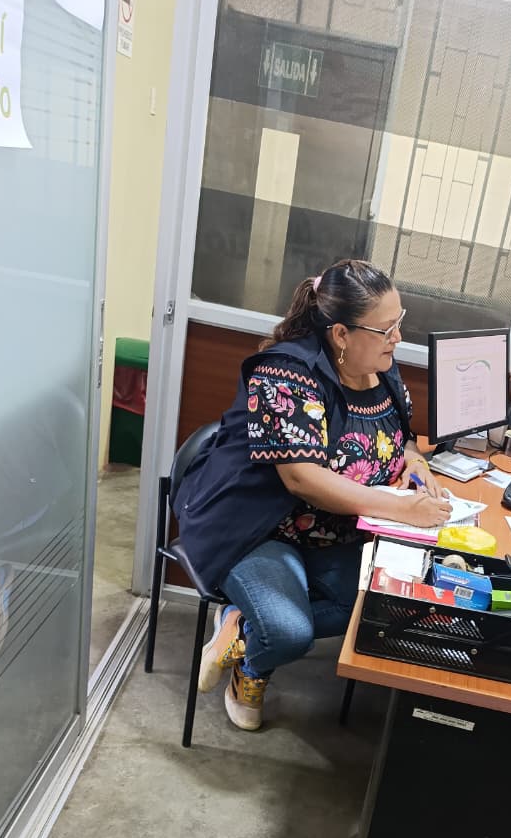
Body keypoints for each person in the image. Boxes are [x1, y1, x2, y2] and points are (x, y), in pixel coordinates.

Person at [173, 259, 451, 730]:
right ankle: (254, 663)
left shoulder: (382, 369)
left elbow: (403, 438)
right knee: (289, 633)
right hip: (258, 526)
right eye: (386, 329)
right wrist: (402, 508)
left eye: (399, 323)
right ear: (341, 334)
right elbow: (302, 479)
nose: (398, 338)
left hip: (335, 529)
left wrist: (416, 467)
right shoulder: (286, 373)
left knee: (377, 607)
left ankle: (241, 626)